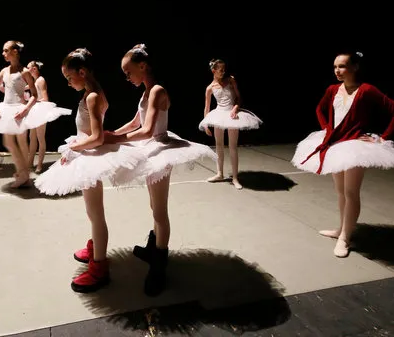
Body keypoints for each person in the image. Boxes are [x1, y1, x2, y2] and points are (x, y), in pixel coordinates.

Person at [104, 44, 217, 296]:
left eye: (128, 71)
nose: (127, 77)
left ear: (142, 66)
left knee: (160, 210)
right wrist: (111, 133)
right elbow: (136, 122)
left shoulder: (157, 91)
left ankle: (159, 265)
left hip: (159, 150)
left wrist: (114, 140)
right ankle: (153, 247)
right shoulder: (146, 93)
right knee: (154, 207)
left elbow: (146, 130)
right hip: (149, 150)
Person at [34, 48, 144, 293]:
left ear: (82, 72)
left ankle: (100, 267)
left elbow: (95, 137)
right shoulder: (92, 93)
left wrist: (73, 148)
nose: (68, 82)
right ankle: (96, 248)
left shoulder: (92, 96)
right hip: (87, 154)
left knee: (96, 214)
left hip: (90, 156)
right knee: (92, 212)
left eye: (69, 77)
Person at [291, 51, 394, 257]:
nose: (337, 71)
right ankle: (342, 229)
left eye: (342, 66)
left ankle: (345, 238)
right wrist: (327, 128)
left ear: (355, 67)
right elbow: (319, 109)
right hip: (335, 144)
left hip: (355, 147)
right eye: (335, 67)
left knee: (351, 193)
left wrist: (382, 137)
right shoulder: (332, 89)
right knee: (341, 192)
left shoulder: (367, 90)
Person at [0, 41, 70, 187]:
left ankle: (24, 174)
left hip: (19, 110)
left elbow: (34, 94)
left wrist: (25, 109)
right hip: (7, 109)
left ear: (15, 52)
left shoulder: (24, 72)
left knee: (22, 142)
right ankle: (23, 173)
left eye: (6, 50)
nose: (3, 53)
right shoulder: (4, 71)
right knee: (10, 142)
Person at [199, 59, 262, 189]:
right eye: (220, 70)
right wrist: (206, 124)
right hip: (218, 115)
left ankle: (235, 177)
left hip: (232, 114)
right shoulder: (210, 88)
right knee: (219, 145)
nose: (223, 72)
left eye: (224, 70)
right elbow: (206, 107)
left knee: (233, 146)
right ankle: (220, 173)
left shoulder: (231, 80)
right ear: (213, 71)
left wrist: (235, 108)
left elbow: (239, 97)